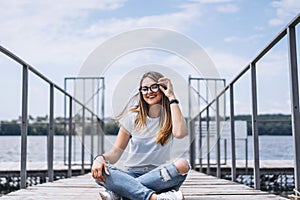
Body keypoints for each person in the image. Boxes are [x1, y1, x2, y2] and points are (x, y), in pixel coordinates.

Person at [92, 71, 190, 200]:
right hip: (131, 174)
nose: (149, 92)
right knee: (101, 172)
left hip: (159, 176)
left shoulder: (172, 115)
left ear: (162, 88)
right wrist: (99, 159)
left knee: (182, 164)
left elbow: (180, 133)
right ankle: (154, 198)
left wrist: (171, 96)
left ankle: (122, 193)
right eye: (144, 89)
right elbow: (115, 153)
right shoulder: (132, 118)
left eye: (154, 87)